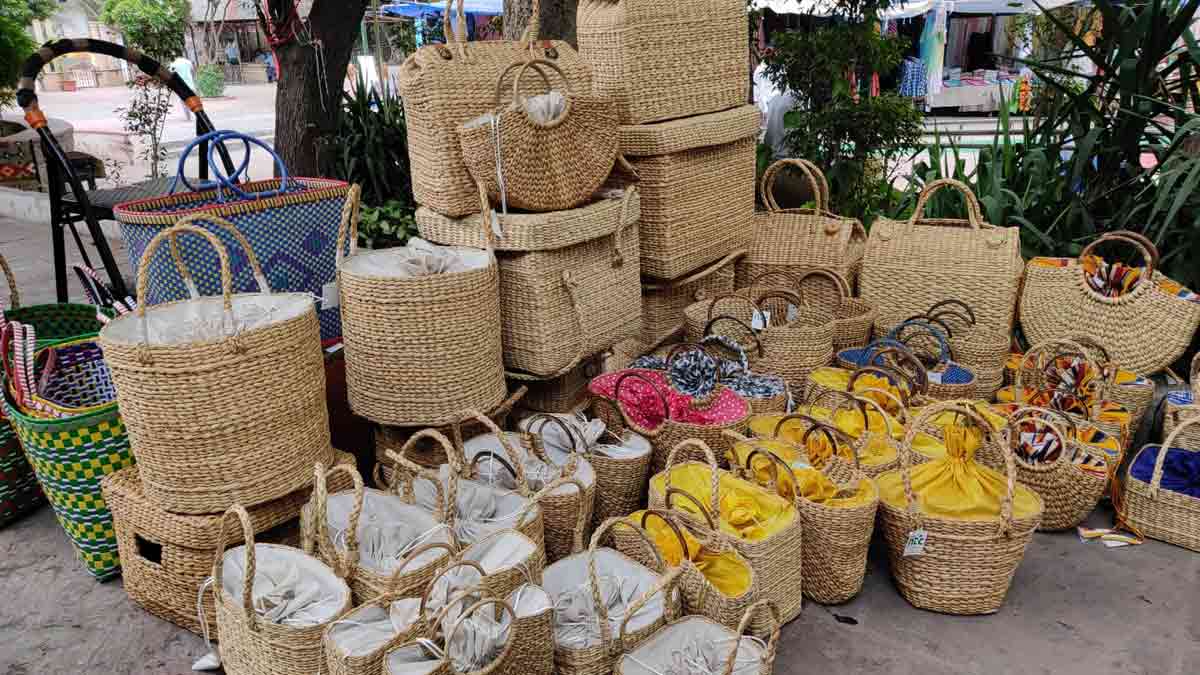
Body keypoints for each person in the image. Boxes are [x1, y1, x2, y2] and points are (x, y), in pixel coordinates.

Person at [169, 54, 196, 121]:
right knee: (193, 100)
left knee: (184, 102)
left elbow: (171, 74)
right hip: (190, 84)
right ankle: (198, 115)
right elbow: (192, 72)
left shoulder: (173, 63)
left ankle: (188, 117)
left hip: (181, 86)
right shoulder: (188, 62)